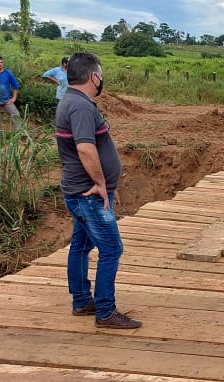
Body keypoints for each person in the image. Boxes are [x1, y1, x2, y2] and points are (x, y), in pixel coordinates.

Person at [55, 51, 141, 329]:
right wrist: (101, 184)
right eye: (100, 74)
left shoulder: (71, 100)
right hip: (89, 194)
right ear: (93, 76)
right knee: (111, 248)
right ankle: (105, 311)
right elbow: (84, 147)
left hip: (79, 191)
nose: (101, 78)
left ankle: (82, 300)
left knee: (80, 246)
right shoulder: (80, 106)